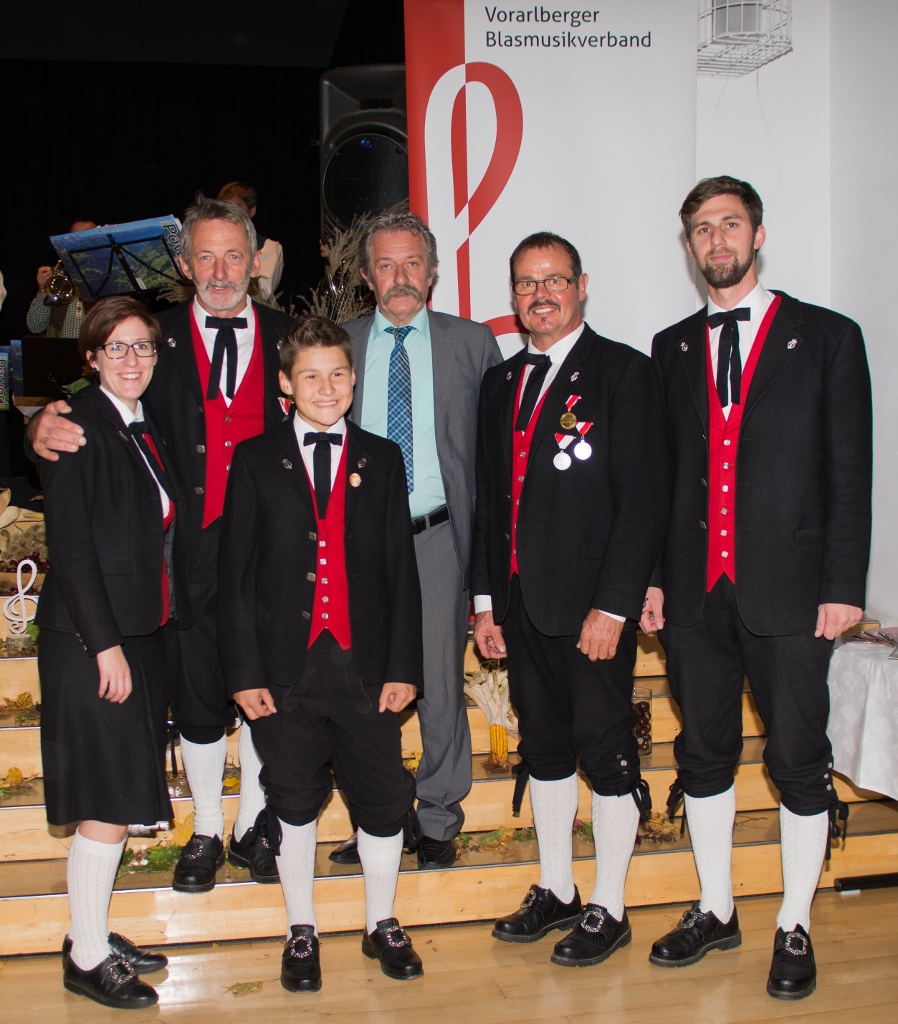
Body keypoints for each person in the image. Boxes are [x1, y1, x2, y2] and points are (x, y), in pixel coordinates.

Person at [642, 176, 872, 1000]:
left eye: (729, 224)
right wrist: (654, 580)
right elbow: (662, 478)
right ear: (689, 246)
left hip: (794, 591)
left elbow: (850, 470)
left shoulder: (829, 336)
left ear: (758, 234)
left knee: (798, 760)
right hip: (694, 595)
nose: (717, 240)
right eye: (702, 229)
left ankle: (794, 921)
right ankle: (716, 907)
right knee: (702, 754)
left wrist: (843, 584)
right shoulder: (670, 347)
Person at [28, 196, 295, 893]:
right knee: (199, 696)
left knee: (266, 688)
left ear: (256, 260)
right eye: (205, 256)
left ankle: (253, 822)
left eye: (233, 255)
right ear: (183, 264)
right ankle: (206, 826)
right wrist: (37, 431)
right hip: (187, 554)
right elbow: (90, 414)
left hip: (273, 550)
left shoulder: (292, 336)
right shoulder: (151, 339)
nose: (219, 270)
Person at [471, 232, 668, 967]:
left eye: (554, 279)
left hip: (592, 612)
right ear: (513, 295)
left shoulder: (625, 372)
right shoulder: (500, 381)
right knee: (545, 748)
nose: (540, 294)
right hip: (521, 605)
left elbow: (642, 500)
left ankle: (610, 906)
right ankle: (557, 889)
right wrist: (486, 601)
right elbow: (490, 500)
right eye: (526, 283)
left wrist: (614, 606)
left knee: (605, 751)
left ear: (582, 285)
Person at [218, 316, 425, 990]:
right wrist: (243, 673)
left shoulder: (382, 458)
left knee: (383, 796)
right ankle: (300, 928)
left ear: (354, 378)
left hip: (366, 668)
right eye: (310, 375)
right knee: (293, 797)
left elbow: (400, 572)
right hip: (285, 670)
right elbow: (235, 577)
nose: (326, 387)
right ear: (285, 383)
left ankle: (381, 921)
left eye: (338, 373)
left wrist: (405, 668)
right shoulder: (254, 459)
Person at [332, 209, 503, 869]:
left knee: (436, 683)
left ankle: (437, 817)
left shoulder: (472, 344)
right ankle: (379, 817)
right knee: (358, 688)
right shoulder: (339, 345)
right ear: (366, 275)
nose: (400, 277)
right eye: (386, 264)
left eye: (412, 263)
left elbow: (494, 456)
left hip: (436, 540)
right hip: (355, 543)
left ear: (432, 273)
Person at [36, 295, 191, 1009]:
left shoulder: (140, 423)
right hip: (91, 641)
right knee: (106, 796)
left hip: (138, 631)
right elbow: (70, 547)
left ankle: (90, 932)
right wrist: (105, 647)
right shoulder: (76, 424)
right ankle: (87, 957)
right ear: (92, 356)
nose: (133, 359)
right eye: (117, 347)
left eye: (144, 346)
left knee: (120, 791)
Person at [26, 220, 97, 338]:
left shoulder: (113, 278)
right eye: (74, 239)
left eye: (86, 239)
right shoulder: (58, 276)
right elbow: (35, 326)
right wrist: (43, 292)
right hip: (62, 349)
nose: (79, 244)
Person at [217, 181, 284, 299]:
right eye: (225, 209)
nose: (230, 214)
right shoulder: (212, 245)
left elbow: (262, 293)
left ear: (252, 210)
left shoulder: (269, 248)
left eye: (236, 208)